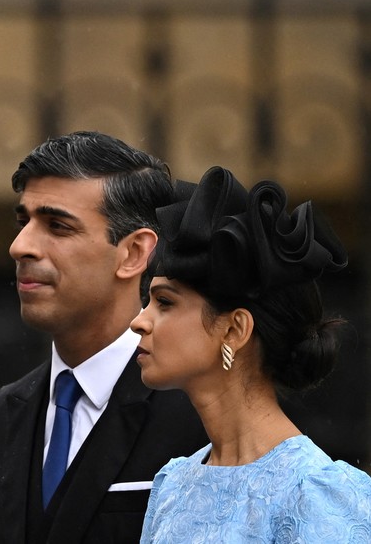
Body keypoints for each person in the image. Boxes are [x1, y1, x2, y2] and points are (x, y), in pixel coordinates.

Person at [0, 131, 209, 544]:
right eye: (23, 221)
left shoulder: (197, 411)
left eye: (57, 226)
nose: (20, 246)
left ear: (133, 253)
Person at [130, 166, 371, 542]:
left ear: (235, 329)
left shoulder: (316, 492)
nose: (139, 322)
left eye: (164, 302)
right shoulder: (173, 484)